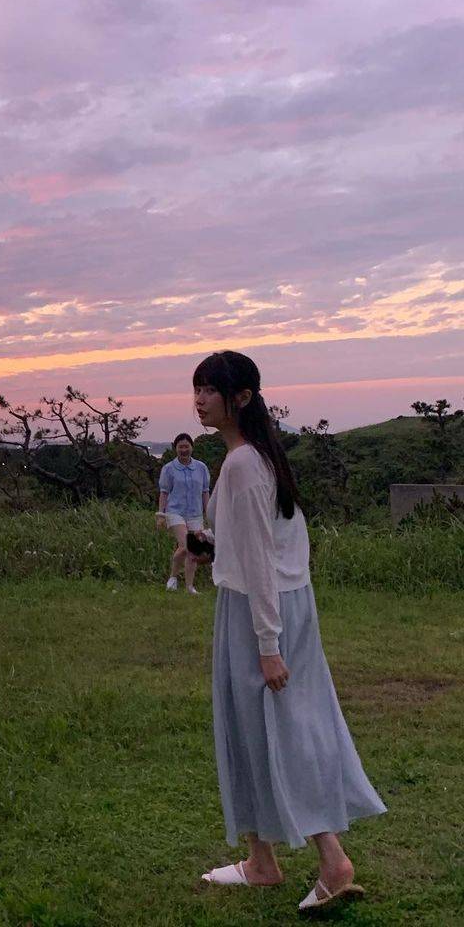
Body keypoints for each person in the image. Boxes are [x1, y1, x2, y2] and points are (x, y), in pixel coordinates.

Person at [192, 350, 386, 913]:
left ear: (243, 398)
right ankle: (261, 861)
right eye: (197, 388)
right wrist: (213, 552)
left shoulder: (244, 464)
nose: (200, 399)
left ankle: (332, 861)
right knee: (253, 728)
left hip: (260, 613)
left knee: (281, 731)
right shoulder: (261, 459)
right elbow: (270, 545)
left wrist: (269, 646)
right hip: (278, 604)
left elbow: (260, 565)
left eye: (210, 389)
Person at [156, 433, 210, 594]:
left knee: (184, 549)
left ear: (192, 447)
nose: (184, 450)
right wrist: (160, 514)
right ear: (175, 449)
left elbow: (205, 492)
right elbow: (164, 492)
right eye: (181, 447)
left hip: (195, 513)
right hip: (175, 512)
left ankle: (184, 584)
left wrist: (209, 513)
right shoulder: (169, 469)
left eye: (187, 446)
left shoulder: (201, 467)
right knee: (189, 547)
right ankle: (181, 582)